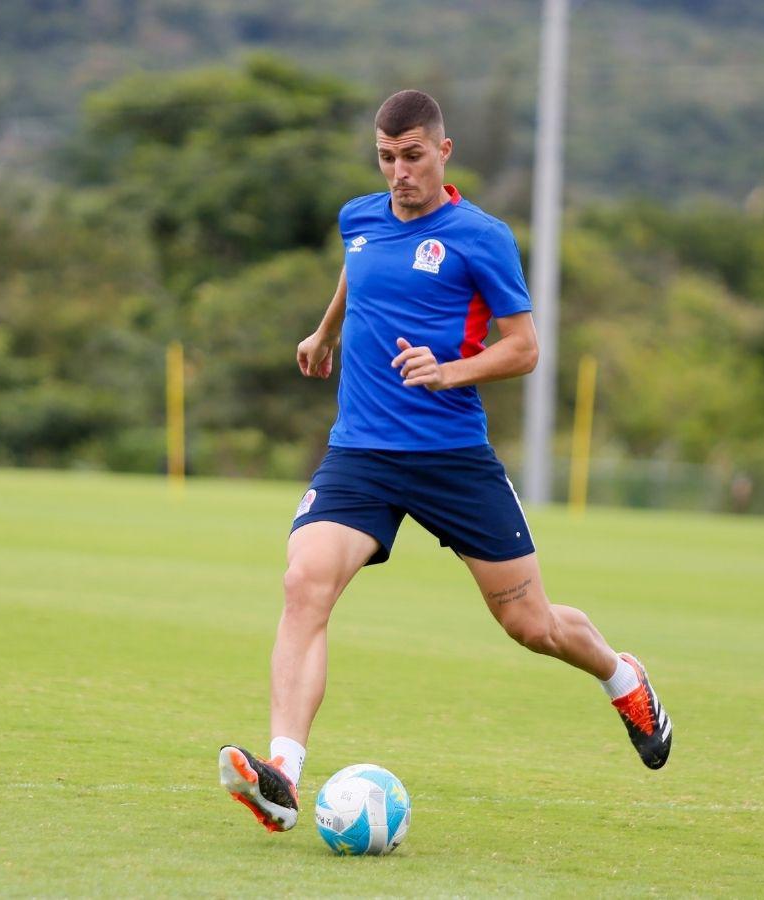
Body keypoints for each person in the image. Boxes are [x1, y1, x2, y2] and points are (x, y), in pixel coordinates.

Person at [219, 90, 672, 833]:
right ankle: (284, 776)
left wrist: (449, 370)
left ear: (444, 151)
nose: (399, 172)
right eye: (387, 158)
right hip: (360, 452)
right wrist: (324, 330)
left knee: (530, 624)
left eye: (413, 156)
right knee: (304, 583)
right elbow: (355, 269)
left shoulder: (480, 237)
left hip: (451, 458)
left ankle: (624, 677)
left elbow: (525, 349)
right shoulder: (358, 217)